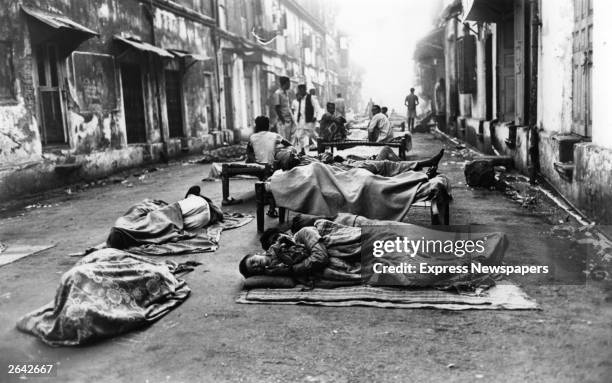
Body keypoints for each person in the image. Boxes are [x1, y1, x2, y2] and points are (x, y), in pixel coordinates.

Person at [239, 214, 506, 289]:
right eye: (255, 267)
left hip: (365, 245)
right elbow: (315, 268)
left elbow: (319, 258)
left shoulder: (303, 234)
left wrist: (294, 268)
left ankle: (486, 247)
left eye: (255, 260)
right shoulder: (285, 271)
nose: (259, 265)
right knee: (414, 273)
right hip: (360, 265)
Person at [292, 84, 317, 154]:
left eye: (300, 90)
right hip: (302, 120)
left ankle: (320, 145)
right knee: (300, 136)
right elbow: (300, 110)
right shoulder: (300, 99)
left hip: (309, 120)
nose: (299, 92)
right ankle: (303, 151)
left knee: (312, 135)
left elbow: (315, 107)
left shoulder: (310, 97)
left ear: (303, 90)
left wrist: (314, 116)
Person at [272, 76, 295, 141]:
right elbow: (277, 108)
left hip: (289, 120)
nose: (290, 85)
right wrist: (283, 121)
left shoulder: (286, 93)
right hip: (283, 121)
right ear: (285, 83)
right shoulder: (277, 93)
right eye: (289, 83)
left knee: (289, 140)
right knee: (284, 141)